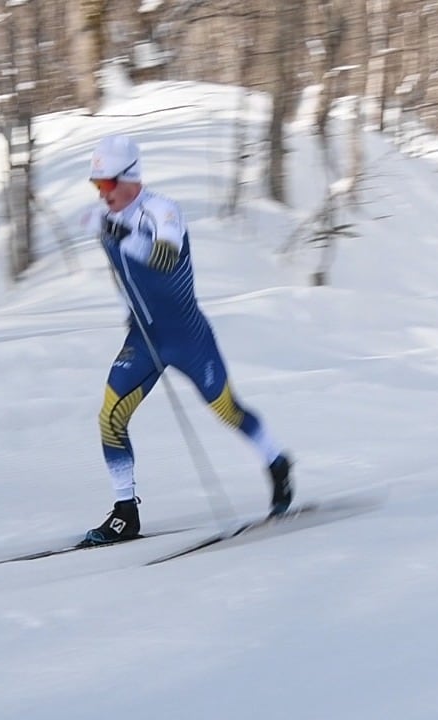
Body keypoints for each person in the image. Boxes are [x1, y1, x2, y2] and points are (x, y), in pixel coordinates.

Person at [83, 134, 293, 545]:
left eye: (107, 184)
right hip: (144, 339)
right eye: (97, 187)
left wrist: (118, 235)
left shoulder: (162, 211)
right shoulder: (108, 219)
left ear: (130, 178)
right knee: (110, 417)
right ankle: (126, 512)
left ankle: (277, 463)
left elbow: (163, 258)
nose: (101, 194)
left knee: (228, 411)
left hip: (188, 337)